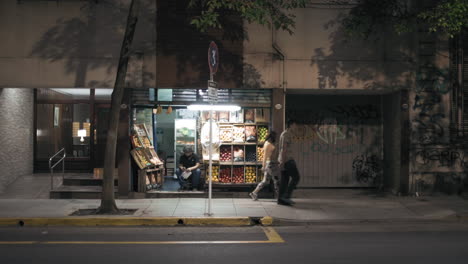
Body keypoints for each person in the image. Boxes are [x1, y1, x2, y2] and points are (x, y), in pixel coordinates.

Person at [249, 131, 279, 200]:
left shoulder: (268, 143)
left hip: (270, 164)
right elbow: (265, 156)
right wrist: (263, 166)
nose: (276, 138)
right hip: (271, 164)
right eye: (275, 137)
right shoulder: (268, 144)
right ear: (272, 137)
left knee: (265, 181)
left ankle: (254, 193)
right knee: (276, 180)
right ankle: (279, 196)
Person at [277, 119, 301, 206]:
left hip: (285, 160)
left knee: (284, 181)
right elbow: (284, 149)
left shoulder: (287, 134)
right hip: (287, 160)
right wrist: (282, 162)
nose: (296, 127)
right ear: (290, 125)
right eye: (295, 125)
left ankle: (281, 200)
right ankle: (286, 196)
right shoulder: (286, 134)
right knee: (296, 177)